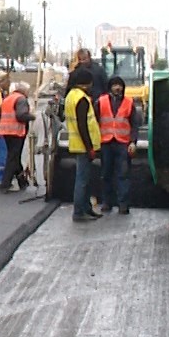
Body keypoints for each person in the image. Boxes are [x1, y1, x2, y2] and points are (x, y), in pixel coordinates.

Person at [64, 66, 102, 222]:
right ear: (87, 83)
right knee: (82, 180)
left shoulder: (71, 96)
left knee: (84, 179)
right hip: (84, 145)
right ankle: (79, 212)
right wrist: (90, 147)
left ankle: (86, 208)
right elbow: (82, 125)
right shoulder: (82, 99)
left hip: (77, 144)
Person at [97, 75, 138, 215]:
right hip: (106, 143)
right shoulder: (101, 102)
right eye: (115, 85)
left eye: (119, 85)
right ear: (110, 87)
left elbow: (134, 124)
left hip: (123, 143)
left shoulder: (129, 103)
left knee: (123, 175)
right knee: (106, 174)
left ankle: (123, 204)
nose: (117, 87)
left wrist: (133, 141)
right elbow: (94, 121)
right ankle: (107, 202)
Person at [0, 81, 34, 192]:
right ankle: (5, 183)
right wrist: (31, 116)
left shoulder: (8, 98)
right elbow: (21, 115)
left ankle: (22, 182)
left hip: (5, 130)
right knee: (12, 158)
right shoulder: (21, 99)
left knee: (15, 157)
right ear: (24, 91)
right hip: (16, 131)